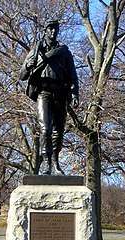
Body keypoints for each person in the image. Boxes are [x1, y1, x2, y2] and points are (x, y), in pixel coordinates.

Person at [20, 19, 79, 175]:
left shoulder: (64, 52)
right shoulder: (37, 50)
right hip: (44, 93)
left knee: (58, 131)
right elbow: (22, 75)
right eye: (50, 29)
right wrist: (28, 65)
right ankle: (46, 164)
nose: (53, 32)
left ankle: (56, 164)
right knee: (46, 128)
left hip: (60, 94)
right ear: (45, 31)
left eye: (56, 29)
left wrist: (74, 93)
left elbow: (73, 75)